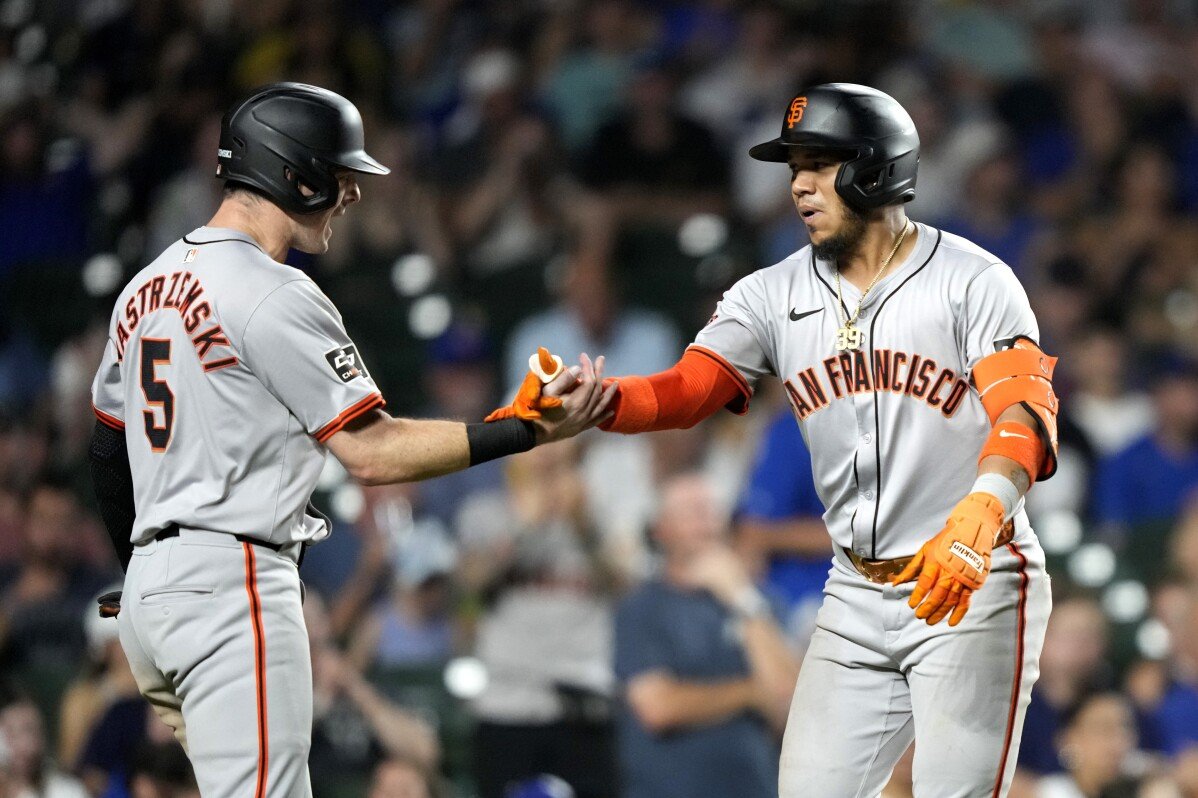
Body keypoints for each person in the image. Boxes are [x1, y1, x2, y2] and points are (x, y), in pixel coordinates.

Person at [87, 82, 615, 798]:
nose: (352, 195)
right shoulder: (272, 290)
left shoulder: (142, 288)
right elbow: (372, 452)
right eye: (340, 175)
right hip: (231, 584)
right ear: (292, 172)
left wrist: (141, 578)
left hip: (153, 602)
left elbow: (106, 449)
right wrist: (524, 429)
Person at [590, 83, 1058, 795]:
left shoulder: (974, 280)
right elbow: (688, 390)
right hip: (856, 591)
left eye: (818, 163)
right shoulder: (770, 294)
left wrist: (986, 508)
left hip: (971, 582)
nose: (800, 185)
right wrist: (598, 401)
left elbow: (1024, 411)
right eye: (793, 169)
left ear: (876, 169)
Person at [614, 473, 799, 798]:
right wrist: (752, 693)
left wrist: (741, 596)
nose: (705, 522)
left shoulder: (759, 602)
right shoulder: (643, 606)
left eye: (711, 510)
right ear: (661, 529)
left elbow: (792, 703)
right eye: (690, 511)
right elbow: (658, 707)